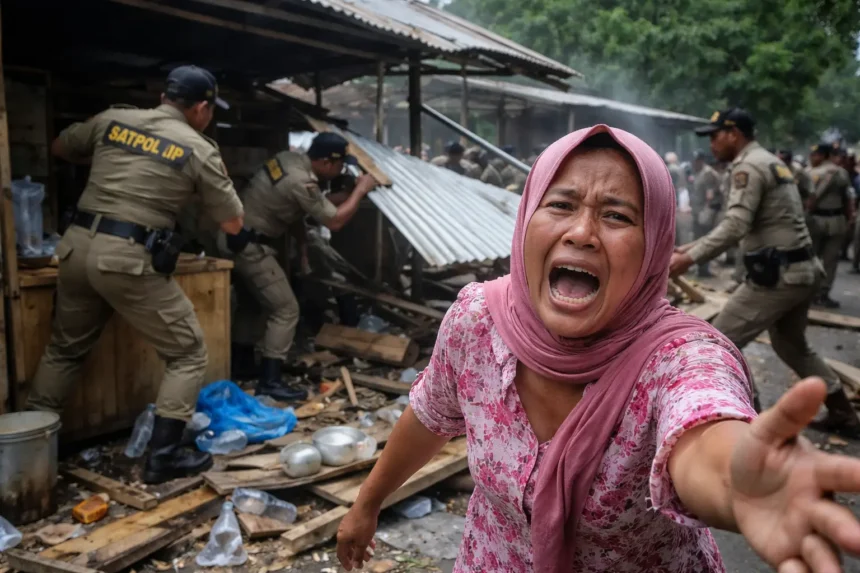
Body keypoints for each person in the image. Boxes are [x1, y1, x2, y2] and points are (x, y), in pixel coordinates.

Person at [336, 125, 860, 572]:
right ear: (525, 223)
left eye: (617, 216)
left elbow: (704, 431)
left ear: (654, 246)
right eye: (560, 205)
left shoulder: (681, 356)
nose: (582, 233)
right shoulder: (477, 319)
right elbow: (431, 414)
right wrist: (367, 502)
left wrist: (736, 480)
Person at [26, 65, 245, 483]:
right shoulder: (198, 147)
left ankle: (33, 457)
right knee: (187, 353)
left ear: (165, 97)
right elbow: (233, 223)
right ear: (200, 107)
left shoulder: (113, 120)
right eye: (209, 110)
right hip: (126, 258)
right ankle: (163, 458)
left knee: (63, 350)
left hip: (73, 248)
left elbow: (58, 147)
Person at [670, 108, 860, 436]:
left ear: (734, 134)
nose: (712, 144)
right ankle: (843, 414)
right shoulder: (770, 160)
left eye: (715, 136)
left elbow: (735, 225)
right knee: (792, 346)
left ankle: (752, 426)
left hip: (778, 275)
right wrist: (685, 251)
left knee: (718, 342)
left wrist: (688, 258)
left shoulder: (748, 165)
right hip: (800, 269)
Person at [220, 133, 378, 401]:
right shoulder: (302, 181)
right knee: (286, 309)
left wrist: (303, 250)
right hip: (250, 246)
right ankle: (270, 380)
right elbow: (334, 221)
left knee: (252, 304)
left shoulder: (288, 160)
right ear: (327, 162)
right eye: (339, 165)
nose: (340, 170)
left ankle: (242, 364)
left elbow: (302, 209)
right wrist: (360, 191)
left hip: (235, 237)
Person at [807, 143, 854, 308]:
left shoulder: (809, 173)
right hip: (835, 220)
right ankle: (822, 293)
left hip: (814, 220)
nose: (812, 158)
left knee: (811, 258)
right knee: (830, 260)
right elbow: (848, 199)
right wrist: (850, 218)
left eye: (815, 155)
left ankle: (808, 293)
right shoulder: (840, 173)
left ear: (823, 156)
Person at [690, 150, 722, 277]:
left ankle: (704, 269)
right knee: (697, 240)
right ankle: (700, 267)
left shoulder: (707, 173)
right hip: (696, 211)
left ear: (701, 160)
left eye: (696, 161)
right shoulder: (698, 172)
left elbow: (710, 195)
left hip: (704, 212)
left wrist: (706, 212)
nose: (694, 163)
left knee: (705, 240)